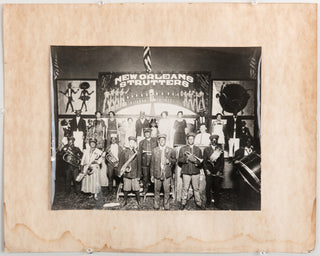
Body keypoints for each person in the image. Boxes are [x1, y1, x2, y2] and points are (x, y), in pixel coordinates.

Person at [150, 134, 176, 210]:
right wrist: (151, 175)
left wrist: (169, 161)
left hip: (166, 174)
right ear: (158, 141)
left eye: (163, 140)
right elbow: (152, 164)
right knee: (156, 190)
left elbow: (175, 161)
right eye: (160, 140)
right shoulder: (155, 150)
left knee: (167, 191)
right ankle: (156, 205)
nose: (162, 141)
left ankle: (166, 205)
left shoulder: (170, 150)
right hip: (157, 173)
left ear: (165, 141)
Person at [178, 133, 203, 209]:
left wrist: (196, 161)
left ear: (194, 140)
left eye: (192, 139)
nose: (191, 140)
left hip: (195, 172)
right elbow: (179, 160)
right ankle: (183, 203)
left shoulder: (198, 149)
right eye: (189, 139)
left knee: (196, 188)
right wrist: (187, 159)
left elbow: (201, 162)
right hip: (186, 172)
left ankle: (198, 203)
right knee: (185, 188)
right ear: (187, 140)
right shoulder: (183, 149)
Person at [119, 136, 141, 206]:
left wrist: (138, 175)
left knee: (136, 188)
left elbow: (139, 165)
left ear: (135, 143)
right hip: (126, 173)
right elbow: (121, 163)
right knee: (126, 188)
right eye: (130, 142)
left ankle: (138, 200)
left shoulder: (137, 153)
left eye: (133, 142)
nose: (132, 143)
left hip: (134, 173)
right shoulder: (124, 152)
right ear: (128, 143)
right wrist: (120, 172)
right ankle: (125, 201)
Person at [203, 135, 224, 208]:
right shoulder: (206, 150)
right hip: (209, 172)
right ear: (211, 141)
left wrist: (220, 171)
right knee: (208, 188)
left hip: (217, 172)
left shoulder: (220, 150)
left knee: (217, 188)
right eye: (213, 140)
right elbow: (204, 162)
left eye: (215, 140)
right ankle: (208, 202)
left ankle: (217, 203)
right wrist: (207, 170)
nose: (214, 142)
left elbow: (222, 162)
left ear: (217, 141)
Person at [138, 128, 158, 196]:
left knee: (154, 176)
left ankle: (154, 190)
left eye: (148, 132)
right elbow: (139, 154)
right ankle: (145, 189)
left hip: (154, 162)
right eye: (145, 133)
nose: (147, 134)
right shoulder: (141, 142)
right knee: (145, 177)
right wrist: (140, 164)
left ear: (150, 133)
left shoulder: (155, 142)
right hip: (144, 163)